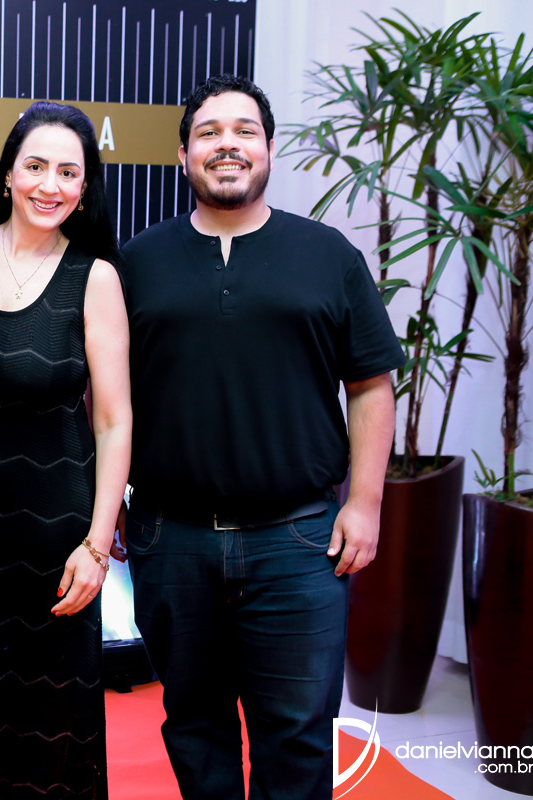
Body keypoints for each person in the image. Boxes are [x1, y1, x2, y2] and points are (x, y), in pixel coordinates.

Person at [120, 74, 403, 800]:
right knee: (195, 727)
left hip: (299, 542)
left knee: (299, 736)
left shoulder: (328, 255)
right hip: (170, 540)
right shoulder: (136, 263)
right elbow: (104, 399)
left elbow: (371, 385)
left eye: (244, 131)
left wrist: (365, 504)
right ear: (183, 154)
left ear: (269, 148)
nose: (228, 145)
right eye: (209, 133)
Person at [0, 101, 132, 798]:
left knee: (49, 722)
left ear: (85, 187)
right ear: (8, 173)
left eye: (69, 172)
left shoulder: (95, 277)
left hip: (55, 536)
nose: (50, 184)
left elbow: (114, 420)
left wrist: (97, 545)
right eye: (35, 166)